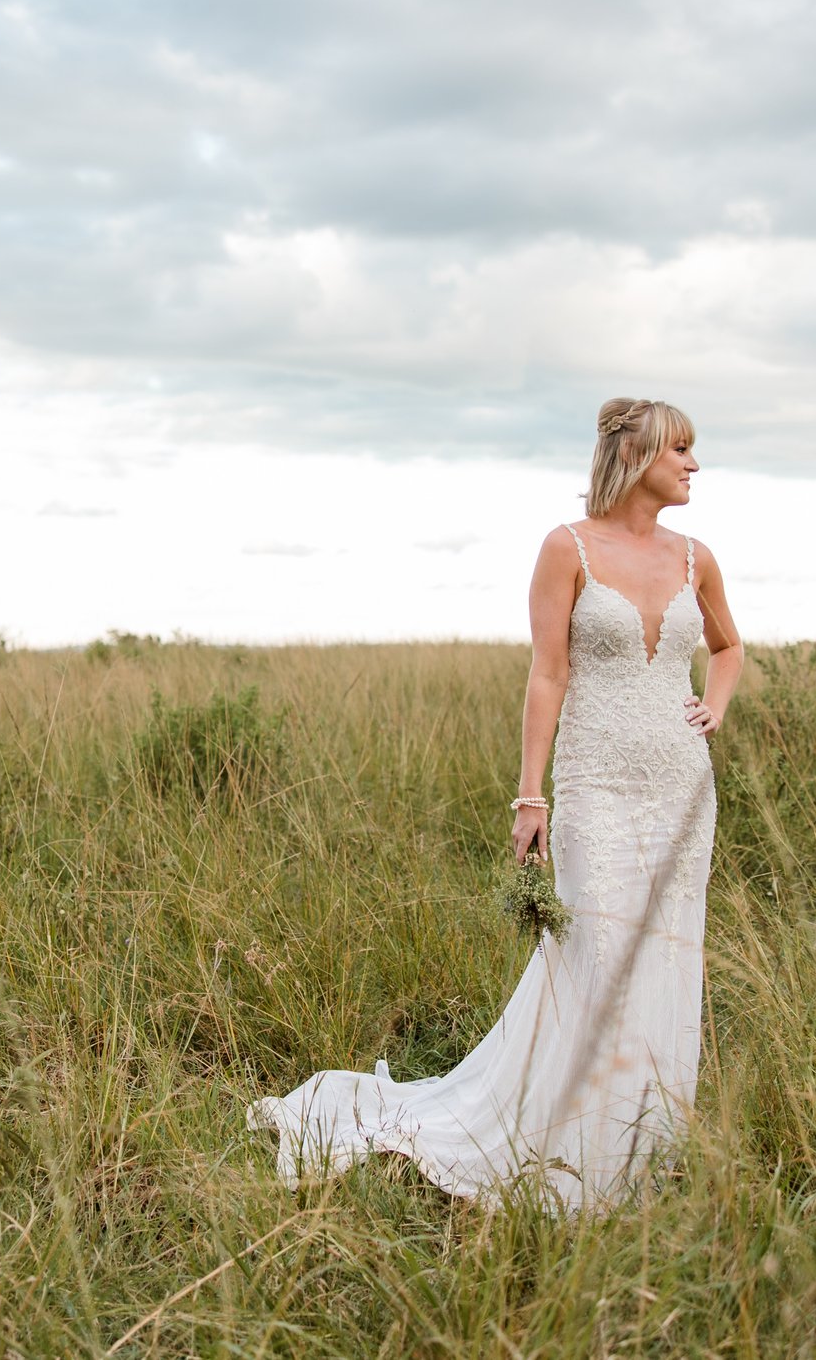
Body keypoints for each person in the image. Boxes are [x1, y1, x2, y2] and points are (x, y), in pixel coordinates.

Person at [248, 397, 744, 1209]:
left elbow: (728, 647)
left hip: (682, 787)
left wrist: (714, 705)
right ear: (634, 456)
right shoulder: (567, 547)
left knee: (670, 949)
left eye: (693, 450)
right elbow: (548, 672)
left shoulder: (698, 557)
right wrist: (529, 794)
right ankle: (568, 1135)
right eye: (680, 449)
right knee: (593, 954)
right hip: (598, 786)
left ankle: (649, 1138)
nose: (694, 464)